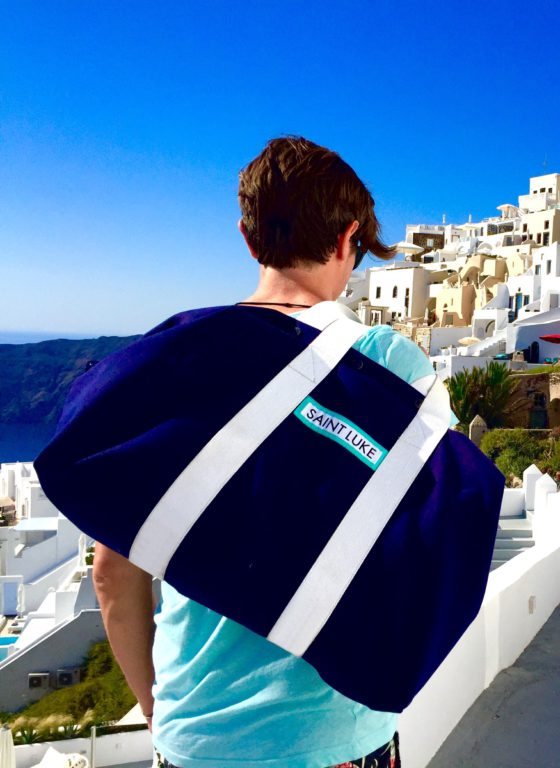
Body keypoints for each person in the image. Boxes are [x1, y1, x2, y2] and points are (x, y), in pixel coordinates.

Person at [93, 136, 434, 768]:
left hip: (200, 733)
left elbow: (113, 574)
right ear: (347, 240)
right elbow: (414, 551)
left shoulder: (174, 365)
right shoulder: (390, 365)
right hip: (339, 729)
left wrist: (157, 708)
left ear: (250, 241)